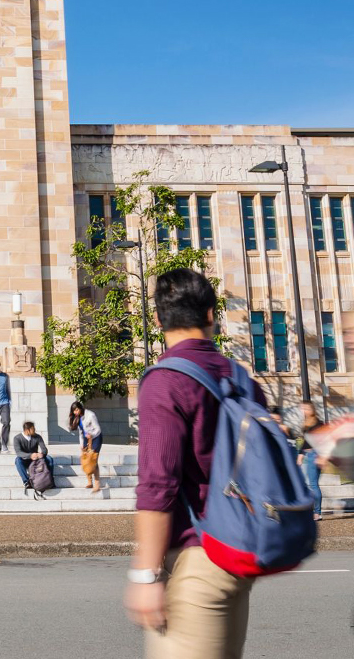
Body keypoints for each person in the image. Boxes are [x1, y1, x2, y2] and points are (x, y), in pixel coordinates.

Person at [125, 268, 269, 659]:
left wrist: (145, 574)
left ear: (156, 320)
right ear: (211, 315)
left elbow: (158, 486)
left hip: (197, 559)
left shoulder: (165, 380)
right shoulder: (241, 379)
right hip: (239, 550)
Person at [296, 400, 324, 520]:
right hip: (311, 455)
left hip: (315, 454)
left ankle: (317, 513)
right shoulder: (308, 422)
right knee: (312, 484)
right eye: (302, 409)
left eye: (306, 409)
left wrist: (300, 455)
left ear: (312, 409)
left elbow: (310, 440)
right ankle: (316, 511)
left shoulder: (317, 423)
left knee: (313, 484)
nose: (304, 411)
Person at [70, 401, 103, 493]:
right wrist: (81, 444)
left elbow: (98, 429)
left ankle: (97, 484)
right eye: (74, 411)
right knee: (85, 459)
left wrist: (91, 434)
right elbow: (81, 432)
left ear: (80, 408)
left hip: (96, 438)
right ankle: (89, 481)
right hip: (86, 439)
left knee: (93, 460)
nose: (75, 412)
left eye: (77, 409)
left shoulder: (90, 415)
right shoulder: (78, 418)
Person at [13, 420, 53, 493]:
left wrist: (42, 454)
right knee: (18, 460)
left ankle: (50, 479)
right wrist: (30, 455)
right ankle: (26, 482)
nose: (35, 430)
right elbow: (18, 452)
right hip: (25, 459)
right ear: (27, 430)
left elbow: (44, 449)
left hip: (36, 460)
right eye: (33, 429)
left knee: (49, 459)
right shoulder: (17, 438)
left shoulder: (37, 437)